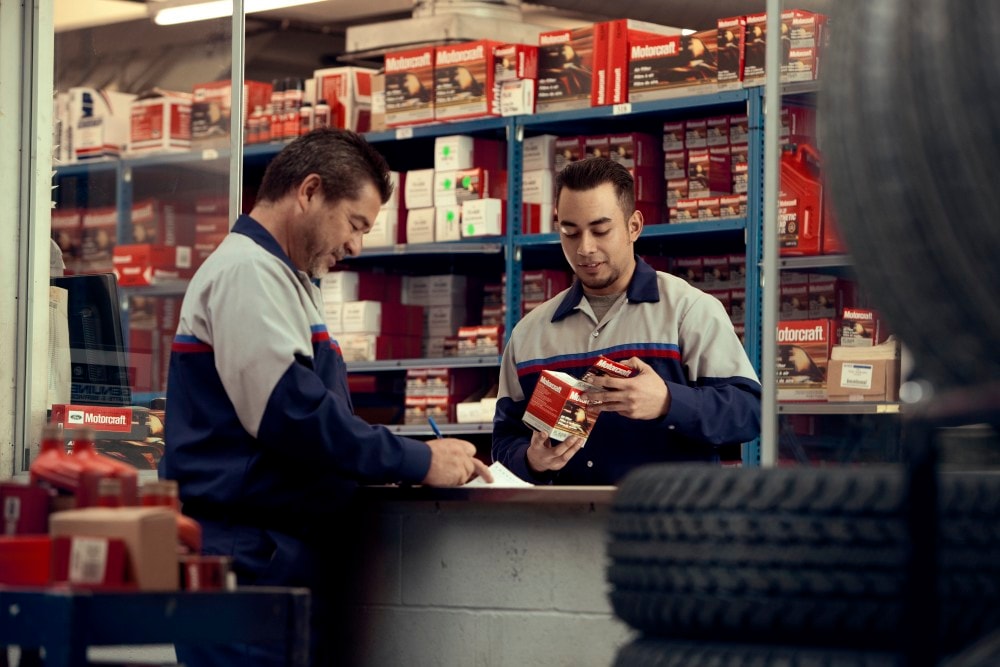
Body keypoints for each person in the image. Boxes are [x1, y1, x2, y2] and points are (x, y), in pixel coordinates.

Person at [159, 128, 491, 666]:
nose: (356, 246)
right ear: (309, 192)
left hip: (271, 562)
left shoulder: (287, 279)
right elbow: (291, 414)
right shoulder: (248, 272)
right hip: (245, 565)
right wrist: (417, 459)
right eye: (355, 224)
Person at [492, 158, 761, 485]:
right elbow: (505, 440)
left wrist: (667, 402)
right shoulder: (529, 334)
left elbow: (750, 412)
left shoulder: (689, 310)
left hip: (667, 528)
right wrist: (531, 460)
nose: (585, 248)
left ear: (634, 226)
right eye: (570, 232)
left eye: (601, 230)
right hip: (564, 527)